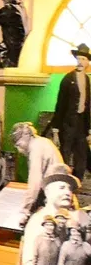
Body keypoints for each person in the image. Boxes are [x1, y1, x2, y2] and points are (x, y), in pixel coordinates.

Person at [51, 43, 91, 181]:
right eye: (78, 59)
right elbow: (60, 104)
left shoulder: (87, 79)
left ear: (87, 62)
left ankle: (76, 184)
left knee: (81, 159)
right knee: (65, 157)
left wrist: (88, 130)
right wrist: (56, 129)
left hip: (80, 125)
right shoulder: (68, 79)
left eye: (83, 59)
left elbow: (88, 106)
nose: (80, 62)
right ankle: (63, 183)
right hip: (67, 124)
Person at [15, 122, 63, 228]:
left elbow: (35, 182)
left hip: (54, 197)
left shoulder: (35, 148)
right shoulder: (44, 141)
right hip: (57, 193)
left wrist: (25, 211)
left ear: (26, 135)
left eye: (18, 144)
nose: (18, 149)